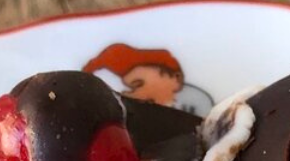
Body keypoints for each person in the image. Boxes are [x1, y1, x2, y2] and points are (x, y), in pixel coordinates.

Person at [83, 43, 213, 116]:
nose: (134, 95)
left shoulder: (197, 103)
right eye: (130, 89)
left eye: (138, 84)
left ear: (176, 78)